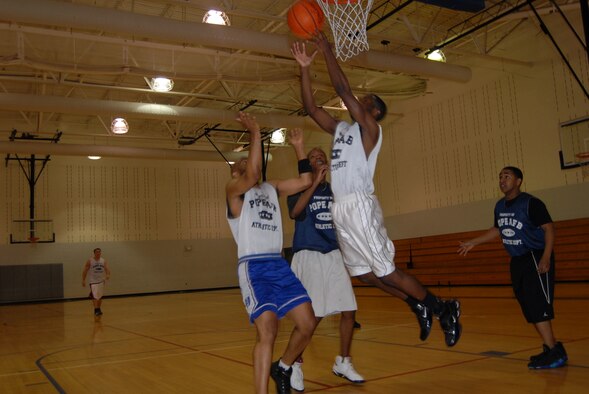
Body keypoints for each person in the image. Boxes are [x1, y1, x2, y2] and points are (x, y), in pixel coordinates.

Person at [291, 33, 461, 348]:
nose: (359, 101)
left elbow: (342, 90)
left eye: (366, 101)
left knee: (389, 272)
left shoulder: (371, 130)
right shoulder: (342, 130)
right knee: (367, 275)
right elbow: (311, 107)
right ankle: (416, 303)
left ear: (374, 113)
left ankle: (443, 307)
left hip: (359, 206)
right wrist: (304, 67)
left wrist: (327, 49)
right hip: (340, 209)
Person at [226, 111, 316, 394]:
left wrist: (299, 147)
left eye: (248, 157)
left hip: (278, 264)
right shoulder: (234, 191)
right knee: (268, 331)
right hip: (254, 267)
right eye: (241, 161)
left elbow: (304, 182)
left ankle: (284, 366)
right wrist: (255, 132)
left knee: (308, 323)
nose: (246, 162)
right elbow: (252, 173)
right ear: (234, 173)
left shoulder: (272, 187)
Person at [457, 166, 568, 369]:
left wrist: (546, 257)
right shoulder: (500, 206)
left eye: (507, 176)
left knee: (538, 306)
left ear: (518, 181)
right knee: (529, 307)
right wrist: (474, 242)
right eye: (500, 176)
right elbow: (497, 230)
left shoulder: (531, 203)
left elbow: (549, 229)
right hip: (517, 261)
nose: (502, 180)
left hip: (535, 257)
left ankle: (555, 352)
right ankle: (551, 347)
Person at [287, 147, 364, 391]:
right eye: (313, 156)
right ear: (307, 164)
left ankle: (343, 361)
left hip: (333, 254)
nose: (319, 157)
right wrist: (314, 183)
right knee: (313, 317)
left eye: (322, 155)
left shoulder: (335, 191)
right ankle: (294, 363)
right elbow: (295, 212)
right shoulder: (297, 188)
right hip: (309, 255)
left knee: (349, 310)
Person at [82, 247, 111, 316]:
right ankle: (96, 310)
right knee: (95, 296)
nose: (98, 253)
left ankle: (99, 308)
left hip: (101, 281)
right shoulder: (90, 260)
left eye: (99, 252)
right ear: (94, 253)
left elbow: (107, 269)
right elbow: (85, 270)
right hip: (93, 281)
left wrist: (108, 275)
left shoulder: (103, 260)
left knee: (100, 296)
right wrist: (83, 280)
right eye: (97, 252)